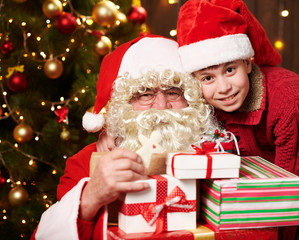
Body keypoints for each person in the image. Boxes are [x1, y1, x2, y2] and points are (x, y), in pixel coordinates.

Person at [175, 1, 299, 240]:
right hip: (249, 167)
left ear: (248, 63)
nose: (223, 88)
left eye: (230, 70)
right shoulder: (199, 100)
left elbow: (287, 195)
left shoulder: (289, 100)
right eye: (208, 77)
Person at [31, 35, 218, 240]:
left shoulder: (216, 154)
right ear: (123, 106)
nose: (161, 106)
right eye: (145, 94)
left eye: (173, 92)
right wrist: (90, 197)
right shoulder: (87, 163)